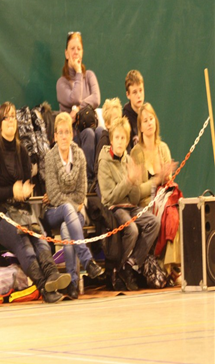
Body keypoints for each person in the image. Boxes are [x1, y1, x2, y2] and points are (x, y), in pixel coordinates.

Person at [0, 102, 71, 304]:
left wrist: (25, 191)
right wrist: (12, 191)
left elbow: (26, 184)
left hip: (21, 209)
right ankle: (43, 287)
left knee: (40, 238)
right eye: (6, 117)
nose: (10, 121)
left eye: (13, 117)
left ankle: (52, 276)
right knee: (23, 243)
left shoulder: (22, 151)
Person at [43, 112, 104, 299]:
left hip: (75, 213)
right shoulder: (50, 158)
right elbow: (53, 195)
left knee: (66, 229)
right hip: (53, 212)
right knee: (68, 209)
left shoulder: (79, 155)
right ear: (55, 136)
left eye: (67, 132)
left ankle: (72, 283)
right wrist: (72, 202)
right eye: (60, 132)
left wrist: (71, 200)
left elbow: (81, 193)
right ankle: (87, 260)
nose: (63, 136)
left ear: (72, 134)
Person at [98, 117, 160, 291]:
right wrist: (128, 181)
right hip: (114, 208)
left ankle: (130, 265)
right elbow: (109, 197)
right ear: (111, 140)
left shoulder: (128, 160)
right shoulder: (104, 162)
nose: (119, 141)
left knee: (154, 222)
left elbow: (134, 199)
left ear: (126, 141)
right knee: (132, 229)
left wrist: (134, 183)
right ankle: (120, 269)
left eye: (123, 138)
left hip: (130, 207)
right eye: (117, 138)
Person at [131, 103, 180, 277]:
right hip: (145, 204)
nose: (149, 123)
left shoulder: (163, 148)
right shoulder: (136, 152)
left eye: (151, 119)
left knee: (173, 211)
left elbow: (169, 184)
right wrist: (157, 180)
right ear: (140, 127)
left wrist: (167, 176)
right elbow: (137, 192)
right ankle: (168, 268)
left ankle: (171, 266)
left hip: (163, 200)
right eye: (145, 120)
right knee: (168, 212)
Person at [56, 32, 103, 183]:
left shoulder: (89, 75)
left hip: (91, 126)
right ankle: (87, 180)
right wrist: (77, 72)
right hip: (74, 134)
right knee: (88, 133)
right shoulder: (61, 83)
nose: (76, 52)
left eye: (79, 48)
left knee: (101, 132)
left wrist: (76, 109)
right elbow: (75, 97)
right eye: (72, 48)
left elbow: (96, 99)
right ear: (66, 53)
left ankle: (100, 177)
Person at [94, 97, 123, 194]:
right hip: (104, 184)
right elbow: (97, 169)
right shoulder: (104, 140)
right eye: (115, 119)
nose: (119, 122)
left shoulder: (123, 139)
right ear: (107, 124)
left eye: (120, 119)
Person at [123, 70, 145, 152]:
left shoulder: (148, 114)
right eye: (134, 92)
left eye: (141, 90)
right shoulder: (125, 120)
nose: (139, 95)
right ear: (128, 95)